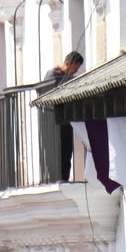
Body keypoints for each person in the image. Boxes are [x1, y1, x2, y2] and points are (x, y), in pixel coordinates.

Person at [42, 50, 83, 181]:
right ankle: (54, 178)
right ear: (67, 63)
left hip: (65, 120)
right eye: (75, 68)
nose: (75, 72)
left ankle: (64, 177)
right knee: (55, 151)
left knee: (66, 151)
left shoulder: (68, 77)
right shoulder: (53, 75)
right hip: (53, 121)